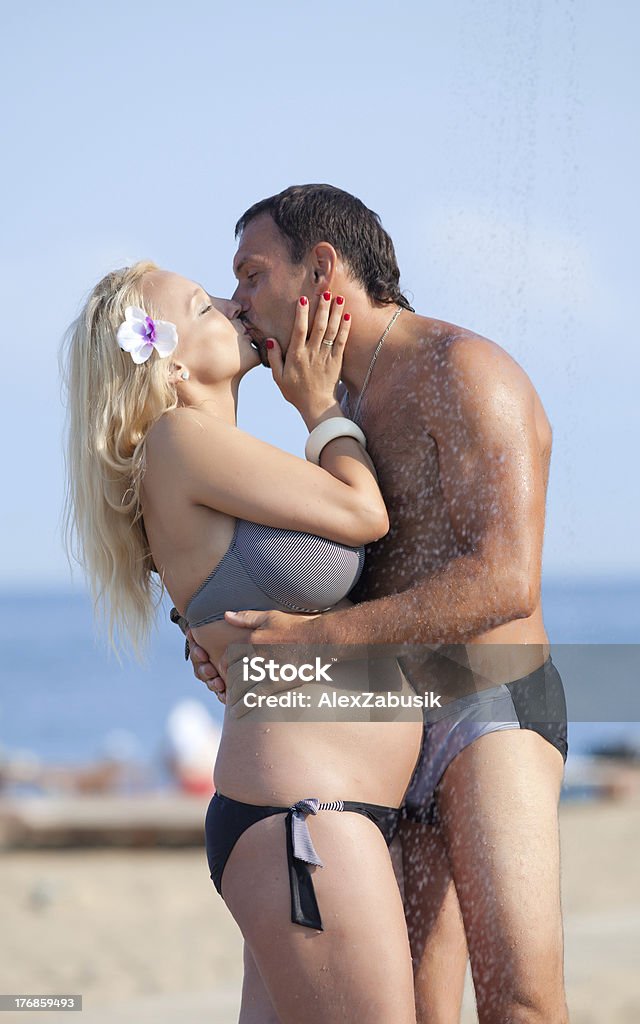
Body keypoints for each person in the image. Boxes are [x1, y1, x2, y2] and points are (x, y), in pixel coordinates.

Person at [187, 184, 570, 1024]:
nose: (238, 301)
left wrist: (314, 639)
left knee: (523, 1003)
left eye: (252, 275)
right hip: (382, 728)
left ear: (320, 268)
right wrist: (228, 632)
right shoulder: (337, 413)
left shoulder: (464, 369)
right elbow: (327, 576)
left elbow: (506, 580)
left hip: (487, 702)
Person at [61, 261, 423, 1024]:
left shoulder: (200, 460)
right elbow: (364, 515)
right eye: (205, 305)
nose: (234, 305)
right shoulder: (178, 439)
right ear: (173, 360)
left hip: (312, 813)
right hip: (305, 815)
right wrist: (321, 402)